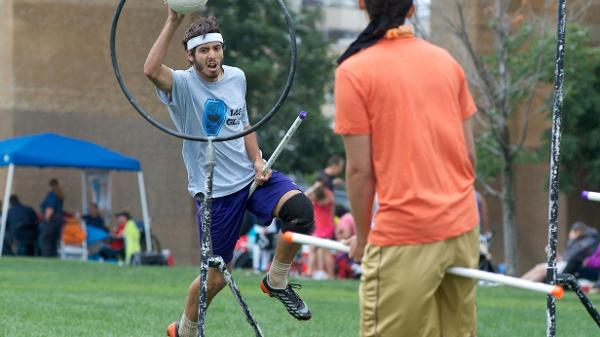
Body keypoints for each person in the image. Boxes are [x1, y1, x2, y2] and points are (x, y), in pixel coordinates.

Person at [144, 7, 315, 336]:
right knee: (216, 278)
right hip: (216, 194)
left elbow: (244, 124)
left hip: (251, 179)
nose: (212, 56)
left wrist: (257, 159)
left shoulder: (237, 77)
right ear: (191, 55)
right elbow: (150, 69)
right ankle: (185, 330)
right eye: (204, 50)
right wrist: (172, 19)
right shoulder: (181, 86)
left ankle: (276, 280)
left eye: (216, 49)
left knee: (302, 213)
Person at [334, 1, 480, 336]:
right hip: (463, 229)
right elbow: (469, 157)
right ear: (412, 8)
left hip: (406, 234)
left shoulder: (354, 71)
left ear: (361, 4)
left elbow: (360, 173)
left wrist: (363, 238)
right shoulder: (446, 62)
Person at [522, 221, 599, 282]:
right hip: (565, 264)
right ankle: (520, 282)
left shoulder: (586, 242)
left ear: (579, 232)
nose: (571, 233)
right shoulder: (575, 242)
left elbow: (573, 260)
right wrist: (555, 254)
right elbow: (565, 260)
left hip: (571, 267)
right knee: (538, 267)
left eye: (573, 231)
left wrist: (588, 262)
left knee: (543, 271)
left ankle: (523, 285)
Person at [305, 176, 336, 279]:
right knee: (314, 248)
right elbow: (304, 196)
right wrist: (314, 188)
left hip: (326, 227)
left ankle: (330, 275)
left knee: (324, 250)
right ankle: (310, 272)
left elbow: (326, 202)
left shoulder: (327, 194)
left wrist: (314, 188)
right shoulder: (318, 194)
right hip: (320, 227)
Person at [39, 178, 65, 257]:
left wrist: (46, 220)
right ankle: (54, 258)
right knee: (54, 242)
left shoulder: (52, 195)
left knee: (46, 240)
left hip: (51, 220)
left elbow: (50, 209)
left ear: (50, 186)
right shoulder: (59, 195)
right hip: (58, 220)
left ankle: (46, 258)